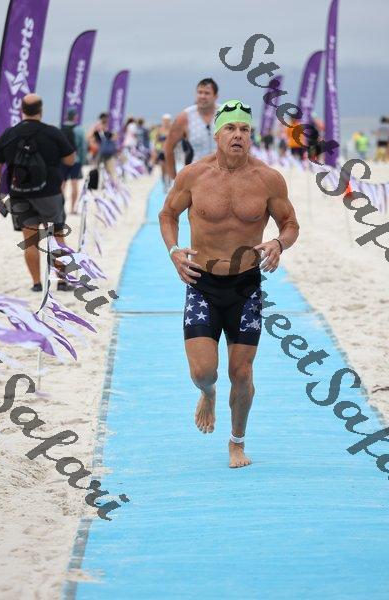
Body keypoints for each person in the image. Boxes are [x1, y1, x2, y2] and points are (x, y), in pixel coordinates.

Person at [158, 100, 299, 468]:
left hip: (245, 288)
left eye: (245, 129)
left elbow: (290, 224)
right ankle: (208, 394)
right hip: (201, 283)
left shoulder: (268, 179)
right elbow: (168, 214)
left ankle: (237, 442)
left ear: (250, 136)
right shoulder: (193, 176)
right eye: (231, 129)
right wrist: (174, 250)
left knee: (242, 373)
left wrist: (278, 243)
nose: (238, 135)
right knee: (203, 372)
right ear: (217, 135)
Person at [0, 93, 75, 292]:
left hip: (19, 194)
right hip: (50, 194)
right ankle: (62, 282)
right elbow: (70, 159)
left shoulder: (9, 134)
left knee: (30, 241)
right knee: (56, 237)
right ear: (41, 110)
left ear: (22, 110)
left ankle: (36, 284)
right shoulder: (52, 132)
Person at [164, 78, 219, 180]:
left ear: (215, 96)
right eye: (200, 92)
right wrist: (174, 178)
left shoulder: (224, 114)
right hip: (196, 176)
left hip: (222, 174)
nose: (202, 96)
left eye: (207, 93)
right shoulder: (185, 117)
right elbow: (168, 147)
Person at [61, 107, 87, 214]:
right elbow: (83, 148)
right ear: (75, 117)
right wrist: (82, 161)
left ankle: (60, 208)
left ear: (67, 116)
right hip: (75, 160)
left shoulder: (61, 128)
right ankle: (72, 209)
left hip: (63, 160)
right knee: (74, 184)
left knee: (62, 185)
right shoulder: (80, 130)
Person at [88, 112, 117, 178]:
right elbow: (89, 136)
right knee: (96, 168)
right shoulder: (97, 127)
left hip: (104, 151)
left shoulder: (106, 128)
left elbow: (113, 138)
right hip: (100, 151)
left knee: (107, 169)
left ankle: (109, 181)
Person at [153, 114, 172, 190]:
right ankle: (164, 184)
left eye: (167, 120)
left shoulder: (172, 129)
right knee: (163, 169)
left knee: (169, 168)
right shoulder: (160, 130)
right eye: (165, 120)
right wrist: (155, 150)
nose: (166, 122)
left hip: (170, 151)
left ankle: (169, 183)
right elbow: (156, 141)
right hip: (162, 151)